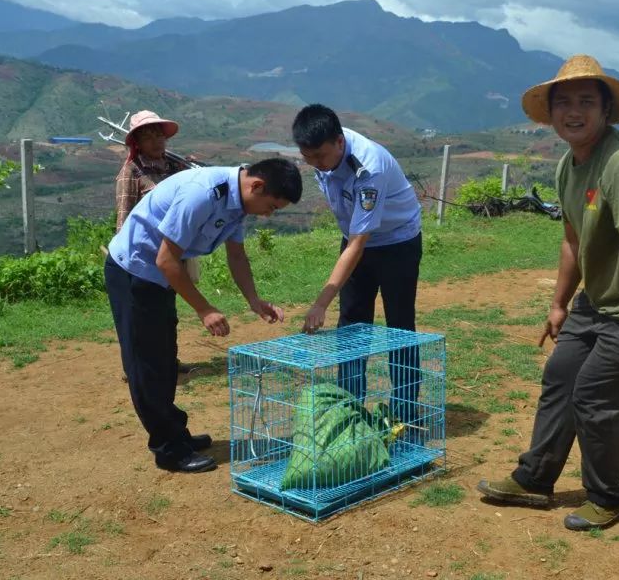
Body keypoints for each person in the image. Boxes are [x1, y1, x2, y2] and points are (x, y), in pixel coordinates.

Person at [476, 55, 619, 530]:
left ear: (605, 111)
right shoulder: (568, 165)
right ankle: (535, 479)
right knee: (560, 376)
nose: (573, 112)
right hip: (597, 300)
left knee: (594, 398)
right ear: (551, 111)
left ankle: (606, 498)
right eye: (564, 103)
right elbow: (573, 239)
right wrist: (558, 304)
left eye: (585, 101)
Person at [105, 159, 303, 473]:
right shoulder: (203, 193)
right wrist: (205, 309)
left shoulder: (239, 202)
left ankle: (176, 433)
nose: (269, 214)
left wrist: (254, 300)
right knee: (146, 365)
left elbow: (236, 255)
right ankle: (169, 450)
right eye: (272, 206)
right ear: (257, 186)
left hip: (159, 277)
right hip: (134, 272)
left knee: (165, 358)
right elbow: (166, 259)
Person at [292, 104, 423, 425]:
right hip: (356, 236)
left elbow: (359, 243)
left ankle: (405, 413)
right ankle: (350, 412)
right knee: (350, 326)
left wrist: (321, 302)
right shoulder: (322, 155)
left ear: (339, 142)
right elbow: (354, 236)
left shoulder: (369, 167)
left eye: (320, 157)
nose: (316, 165)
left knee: (399, 327)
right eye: (308, 158)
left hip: (397, 242)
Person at [114, 110, 198, 374]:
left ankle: (169, 361)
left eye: (159, 136)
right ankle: (136, 367)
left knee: (167, 312)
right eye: (148, 137)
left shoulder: (176, 167)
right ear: (137, 141)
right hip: (143, 254)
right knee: (140, 314)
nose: (156, 142)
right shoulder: (132, 171)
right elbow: (124, 215)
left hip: (172, 250)